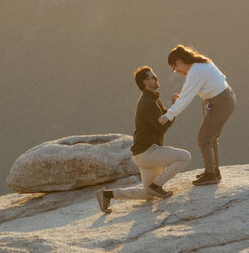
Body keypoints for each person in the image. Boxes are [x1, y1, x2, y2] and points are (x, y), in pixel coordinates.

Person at [96, 66, 192, 213]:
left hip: (142, 154)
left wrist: (174, 107)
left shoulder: (152, 99)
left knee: (147, 193)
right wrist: (175, 108)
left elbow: (163, 118)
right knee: (185, 157)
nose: (156, 78)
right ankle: (156, 186)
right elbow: (162, 127)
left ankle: (107, 194)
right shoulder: (148, 103)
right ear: (145, 82)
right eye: (152, 77)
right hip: (148, 152)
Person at [159, 44, 236, 185]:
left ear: (179, 61)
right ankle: (213, 171)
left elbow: (188, 96)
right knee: (211, 137)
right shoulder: (202, 63)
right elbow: (189, 91)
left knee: (203, 138)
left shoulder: (195, 70)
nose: (176, 71)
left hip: (220, 102)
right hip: (225, 99)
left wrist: (169, 115)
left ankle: (211, 174)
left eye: (175, 67)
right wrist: (180, 98)